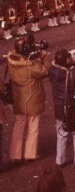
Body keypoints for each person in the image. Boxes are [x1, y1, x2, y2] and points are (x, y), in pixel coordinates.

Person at [7, 34, 51, 163]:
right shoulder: (30, 66)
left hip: (19, 100)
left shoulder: (11, 60)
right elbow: (45, 71)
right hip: (32, 99)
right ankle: (29, 154)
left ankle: (14, 155)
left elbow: (23, 58)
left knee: (18, 126)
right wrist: (45, 56)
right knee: (33, 126)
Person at [48, 49, 75, 169]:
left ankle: (60, 160)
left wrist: (67, 63)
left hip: (60, 107)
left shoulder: (52, 71)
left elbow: (54, 65)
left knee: (61, 134)